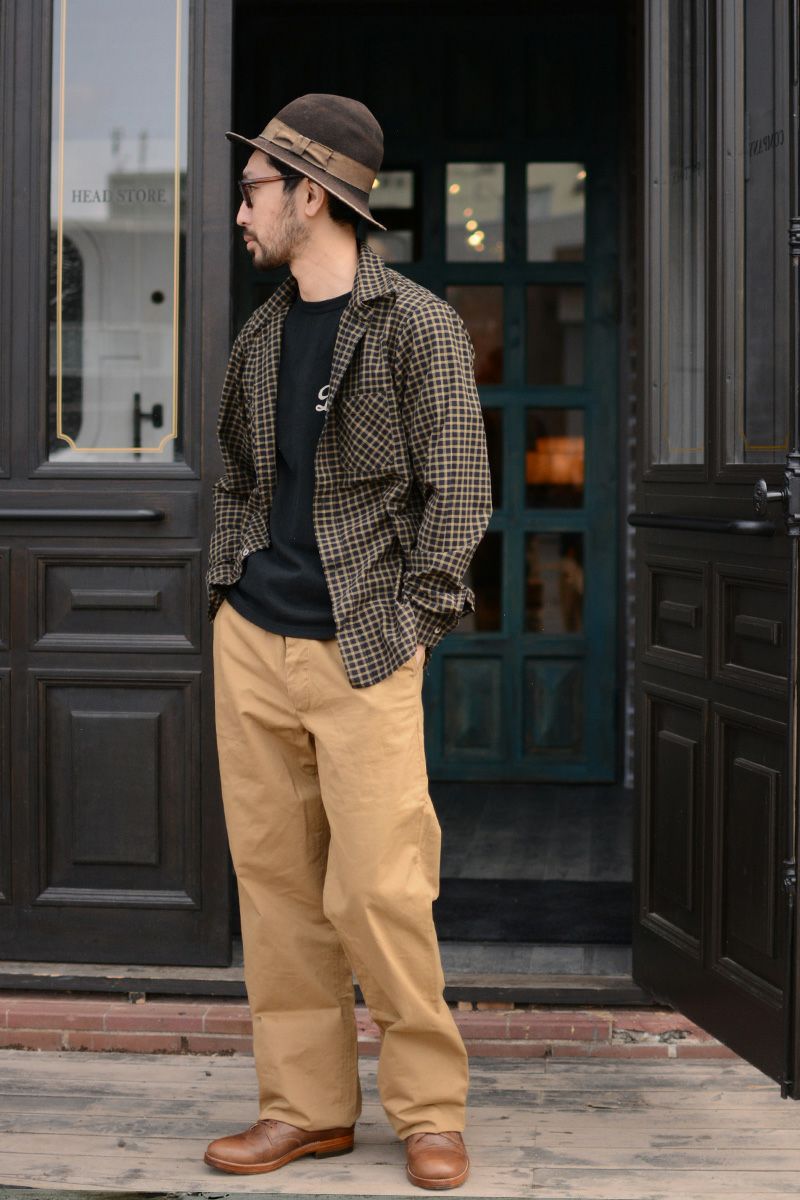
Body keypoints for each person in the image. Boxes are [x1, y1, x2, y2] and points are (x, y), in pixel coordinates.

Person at [204, 93, 493, 1190]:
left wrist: (413, 623)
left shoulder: (416, 324)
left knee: (379, 890)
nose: (241, 212)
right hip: (254, 644)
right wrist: (230, 592)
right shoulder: (260, 334)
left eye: (254, 191)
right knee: (276, 893)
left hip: (365, 647)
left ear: (310, 196)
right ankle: (305, 1109)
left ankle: (429, 1112)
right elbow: (239, 477)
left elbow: (458, 494)